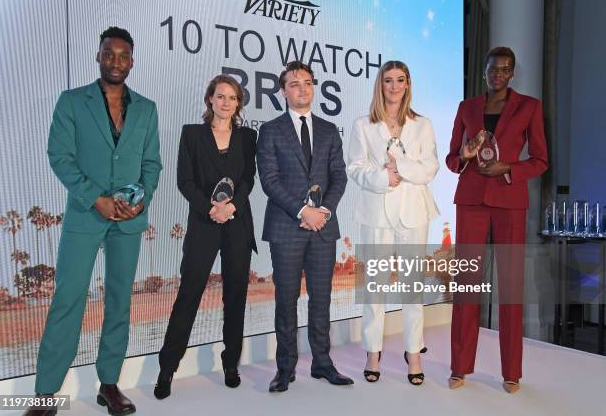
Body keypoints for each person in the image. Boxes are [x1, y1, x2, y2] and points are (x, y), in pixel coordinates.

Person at [24, 27, 162, 416]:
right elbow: (60, 156)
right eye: (109, 53)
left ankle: (110, 386)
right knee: (67, 301)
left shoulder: (147, 109)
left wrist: (141, 200)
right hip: (86, 215)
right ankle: (45, 396)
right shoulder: (71, 102)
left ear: (132, 61)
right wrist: (95, 198)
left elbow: (152, 164)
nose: (116, 61)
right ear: (98, 56)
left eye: (123, 55)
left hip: (129, 222)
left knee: (119, 303)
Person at [445, 47, 548, 393]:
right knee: (466, 287)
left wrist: (509, 169)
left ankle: (511, 373)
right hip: (471, 199)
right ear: (485, 71)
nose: (498, 75)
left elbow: (539, 160)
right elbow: (451, 158)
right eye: (493, 69)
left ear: (512, 73)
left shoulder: (530, 106)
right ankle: (459, 367)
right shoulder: (466, 107)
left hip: (509, 200)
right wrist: (465, 154)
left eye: (504, 70)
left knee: (510, 286)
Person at [154, 75, 257, 399]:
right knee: (189, 294)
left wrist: (232, 207)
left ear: (239, 104)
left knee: (236, 297)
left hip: (237, 224)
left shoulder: (247, 137)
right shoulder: (192, 134)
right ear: (209, 99)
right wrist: (211, 208)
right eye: (221, 96)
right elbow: (184, 180)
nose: (226, 102)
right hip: (204, 223)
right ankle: (167, 369)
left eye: (233, 98)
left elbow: (248, 179)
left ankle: (230, 363)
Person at [256, 61, 351, 392]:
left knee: (321, 299)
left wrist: (322, 210)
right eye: (294, 84)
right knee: (286, 299)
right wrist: (302, 211)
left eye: (307, 83)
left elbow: (339, 176)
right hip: (286, 227)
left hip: (323, 226)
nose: (302, 89)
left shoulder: (328, 129)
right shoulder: (269, 130)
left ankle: (323, 364)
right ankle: (285, 368)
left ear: (314, 88)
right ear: (283, 91)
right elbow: (269, 180)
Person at [347, 60, 440, 385]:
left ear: (408, 84)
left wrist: (400, 168)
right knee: (375, 287)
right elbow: (355, 168)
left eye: (401, 80)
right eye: (389, 80)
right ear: (380, 84)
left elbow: (429, 168)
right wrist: (382, 177)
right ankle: (373, 351)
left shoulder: (422, 124)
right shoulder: (363, 125)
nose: (395, 86)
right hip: (376, 211)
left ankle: (413, 351)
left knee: (413, 286)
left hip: (414, 211)